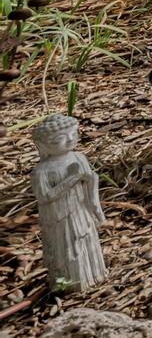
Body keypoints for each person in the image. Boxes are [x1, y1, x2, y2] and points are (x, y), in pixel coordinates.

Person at [30, 114, 107, 291]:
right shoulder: (41, 171)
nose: (70, 140)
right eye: (60, 139)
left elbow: (90, 180)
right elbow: (44, 197)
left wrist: (94, 203)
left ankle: (94, 275)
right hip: (59, 216)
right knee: (66, 246)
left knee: (85, 239)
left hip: (81, 209)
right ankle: (70, 284)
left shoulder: (79, 157)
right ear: (43, 145)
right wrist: (71, 180)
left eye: (74, 134)